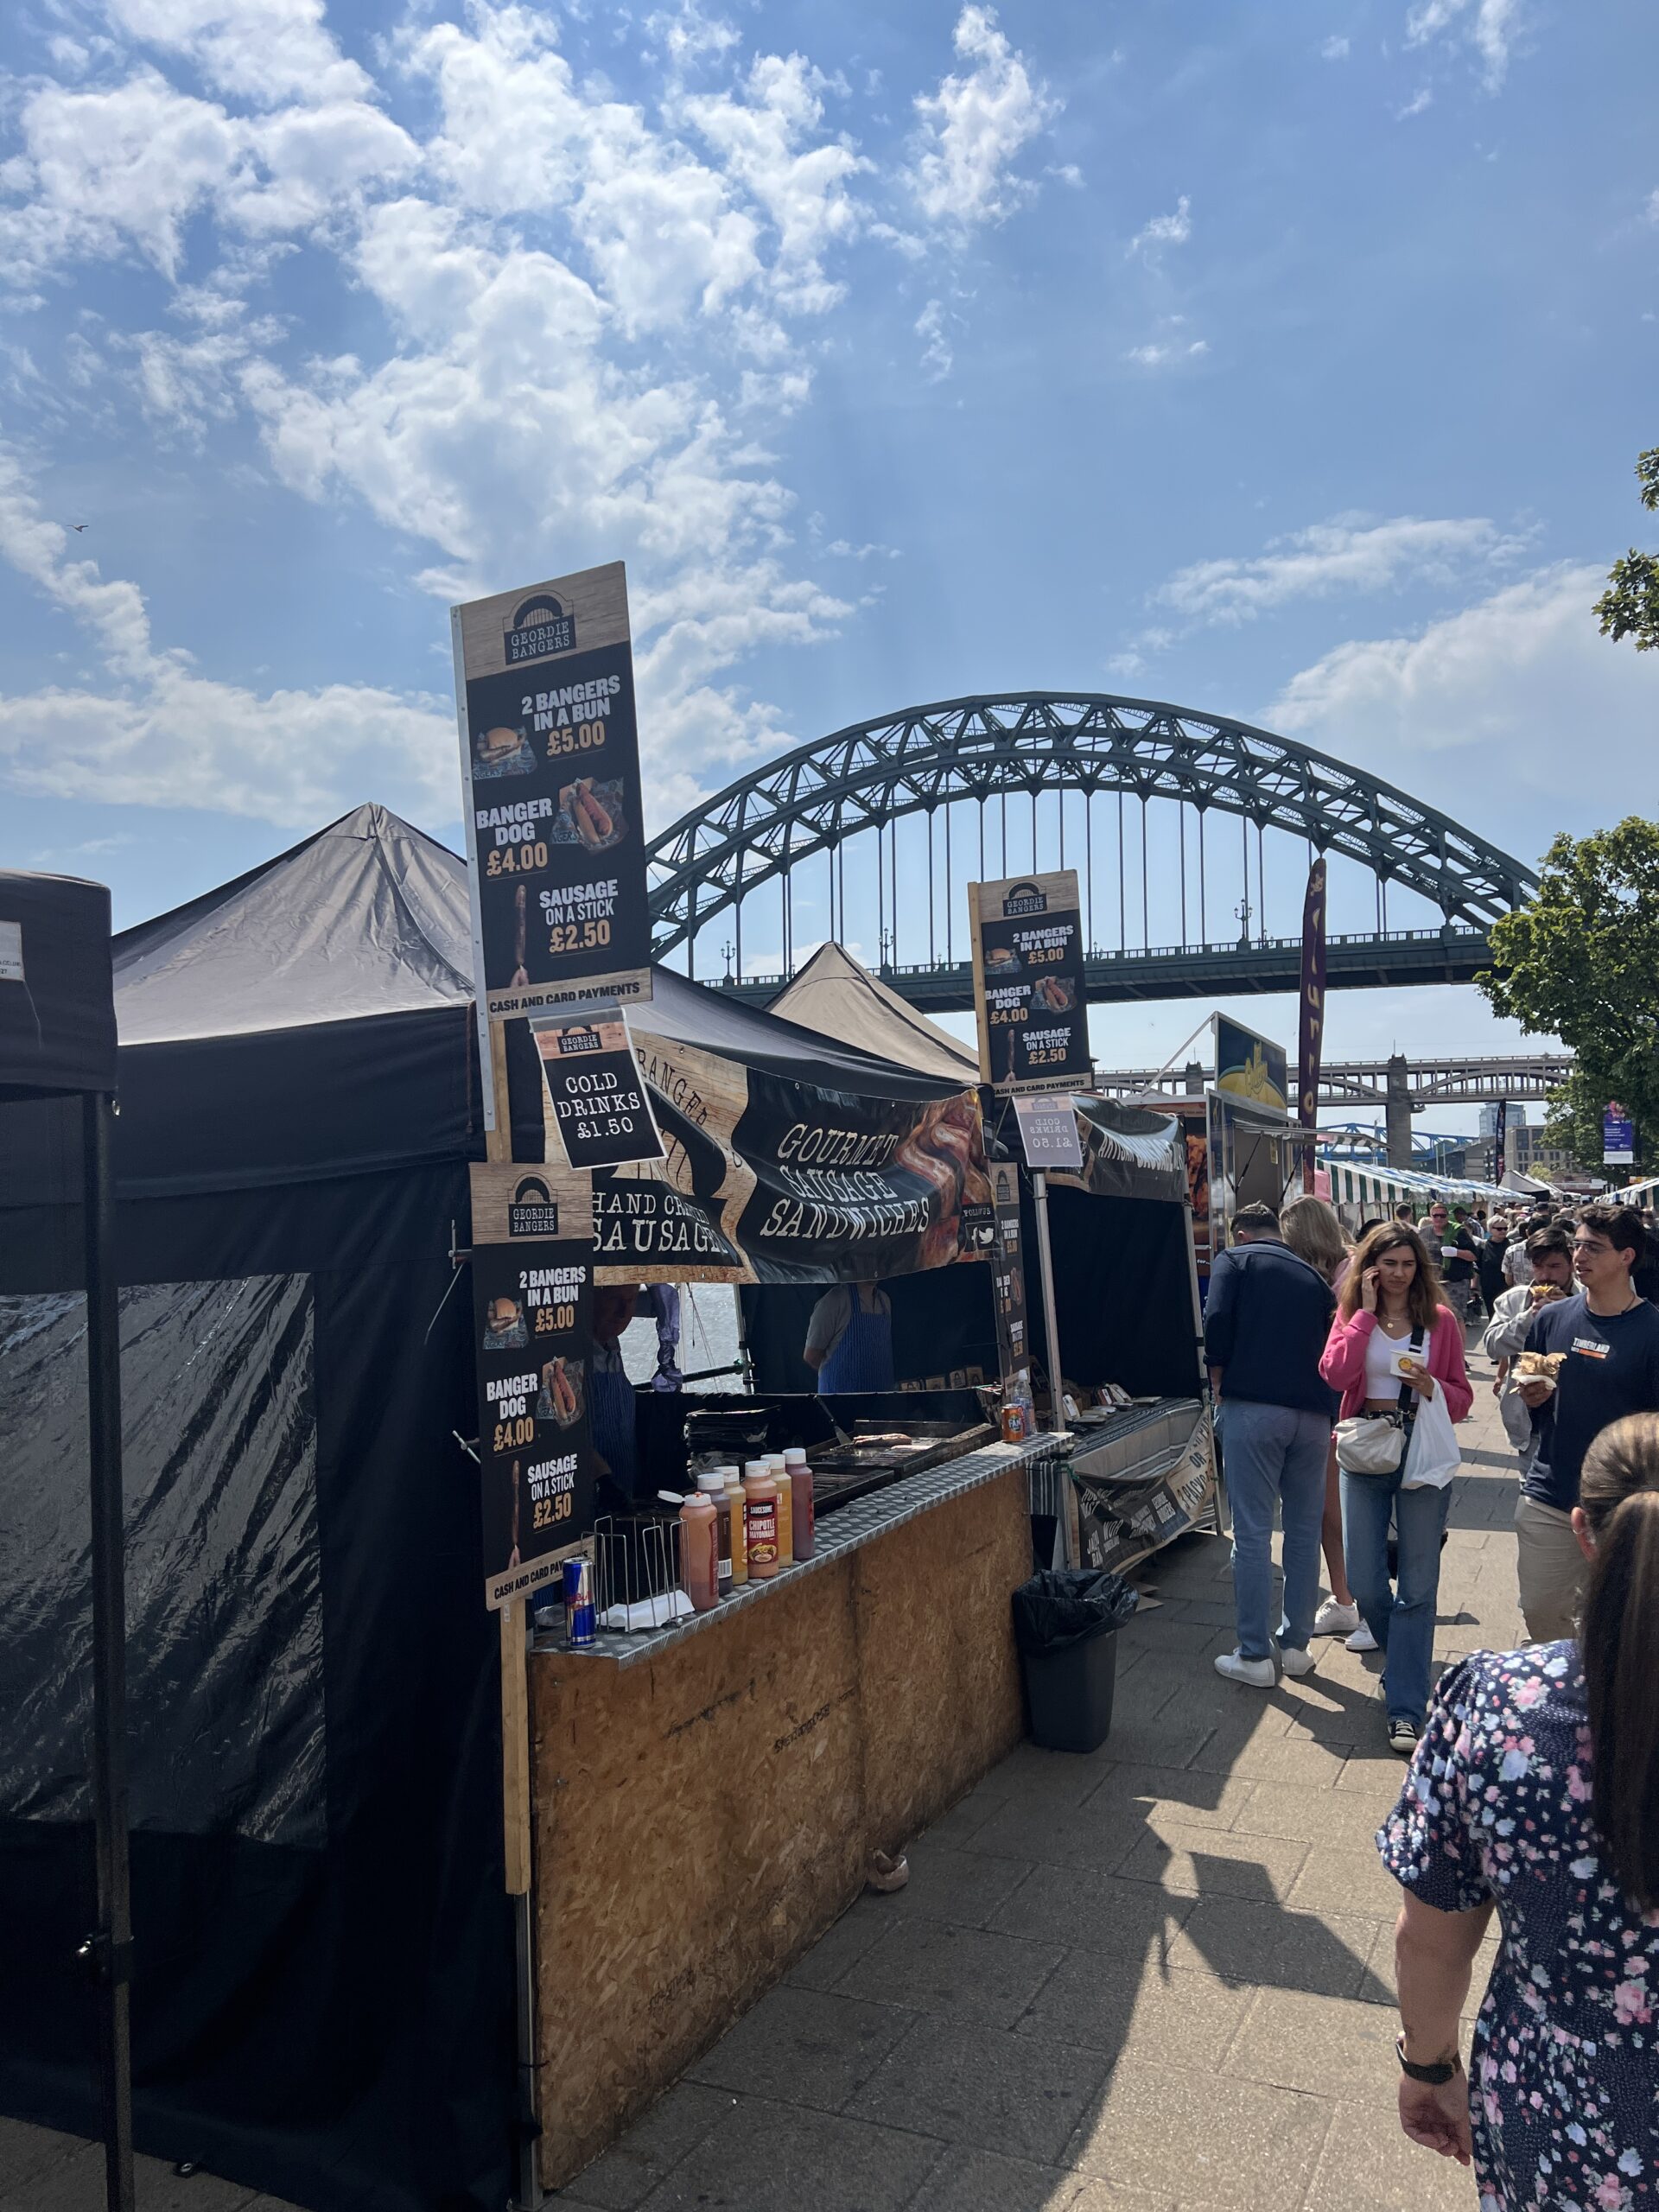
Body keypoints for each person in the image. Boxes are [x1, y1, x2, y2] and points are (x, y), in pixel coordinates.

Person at [1373, 1413, 1659, 2202]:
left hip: (1555, 2111)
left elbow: (1430, 1944)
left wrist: (1427, 2068)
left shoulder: (1497, 1705)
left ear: (1582, 1531)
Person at [1319, 1222, 1472, 1751]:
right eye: (1389, 1264)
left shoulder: (1441, 1323)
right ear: (1371, 1268)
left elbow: (1463, 1398)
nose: (1399, 1274)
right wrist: (1361, 1314)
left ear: (1419, 1269)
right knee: (1363, 1580)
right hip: (1366, 1445)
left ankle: (1405, 1705)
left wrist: (1432, 1386)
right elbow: (1335, 1376)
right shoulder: (1352, 1317)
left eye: (1408, 1264)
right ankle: (1406, 1663)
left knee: (1418, 1586)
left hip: (1420, 1448)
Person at [1203, 1199, 1338, 1687]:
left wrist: (1218, 1376)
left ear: (1241, 1233)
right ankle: (1297, 1647)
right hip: (1315, 1415)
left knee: (1254, 1532)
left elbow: (1216, 1320)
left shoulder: (1234, 1261)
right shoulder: (1315, 1278)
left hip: (1254, 1409)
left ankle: (1255, 1654)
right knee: (1303, 1532)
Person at [1510, 1202, 1659, 1641]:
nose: (1579, 1256)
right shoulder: (1551, 1317)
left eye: (1593, 1247)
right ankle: (1566, 1700)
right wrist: (1531, 1395)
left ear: (1626, 1256)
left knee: (1622, 1629)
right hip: (1550, 1493)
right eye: (1577, 1245)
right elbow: (1531, 1384)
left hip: (1625, 1506)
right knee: (1541, 1613)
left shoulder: (1652, 1331)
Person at [1280, 1197, 1362, 1639]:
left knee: (1336, 1511)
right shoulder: (1344, 1270)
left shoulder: (1340, 1278)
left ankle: (1353, 1602)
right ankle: (1348, 1598)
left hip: (1346, 1404)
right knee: (1332, 1509)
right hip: (1336, 1403)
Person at [1481, 1224, 1574, 1480]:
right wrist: (1529, 1318)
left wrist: (1571, 1313)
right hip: (1530, 1423)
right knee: (1533, 1502)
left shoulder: (1588, 1299)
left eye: (1554, 1266)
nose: (1546, 1276)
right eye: (1538, 1266)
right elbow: (1492, 1347)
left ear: (1571, 1264)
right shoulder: (1514, 1300)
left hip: (1577, 1419)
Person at [589, 1283, 643, 1494]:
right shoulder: (570, 1353)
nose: (623, 1312)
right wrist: (602, 1479)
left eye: (630, 1301)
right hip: (591, 1493)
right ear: (589, 1298)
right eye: (614, 1300)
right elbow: (561, 1434)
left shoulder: (612, 1346)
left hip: (625, 1484)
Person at [804, 1280, 895, 1393]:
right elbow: (811, 1356)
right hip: (839, 1401)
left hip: (881, 1402)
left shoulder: (885, 1301)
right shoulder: (835, 1300)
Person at [1421, 1200, 1478, 1327]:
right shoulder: (1424, 1233)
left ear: (1447, 1216)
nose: (1439, 1218)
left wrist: (1456, 1252)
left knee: (1456, 1318)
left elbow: (1474, 1255)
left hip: (1455, 1283)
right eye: (1435, 1215)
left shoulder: (1458, 1232)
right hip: (1432, 1282)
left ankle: (1458, 1347)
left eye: (1442, 1215)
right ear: (1431, 1217)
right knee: (1433, 1318)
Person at [1475, 1212, 1510, 1315]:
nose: (1503, 1231)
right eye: (1499, 1229)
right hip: (1489, 1287)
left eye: (1505, 1228)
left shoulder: (1512, 1245)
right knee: (1492, 1315)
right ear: (1490, 1229)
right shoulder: (1483, 1246)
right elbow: (1477, 1268)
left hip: (1507, 1286)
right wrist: (1474, 1288)